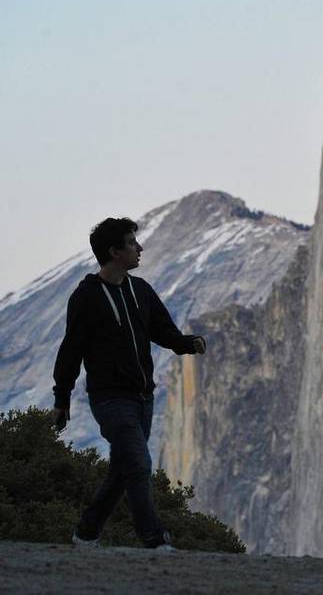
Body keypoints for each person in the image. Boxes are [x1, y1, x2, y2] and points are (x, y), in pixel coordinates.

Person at [51, 217, 206, 550]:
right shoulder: (86, 297)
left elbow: (162, 330)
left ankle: (86, 533)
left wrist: (185, 343)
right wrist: (61, 398)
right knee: (139, 463)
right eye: (133, 243)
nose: (140, 248)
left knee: (123, 469)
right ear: (114, 252)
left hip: (143, 398)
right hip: (109, 399)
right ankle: (154, 538)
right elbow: (71, 349)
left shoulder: (140, 290)